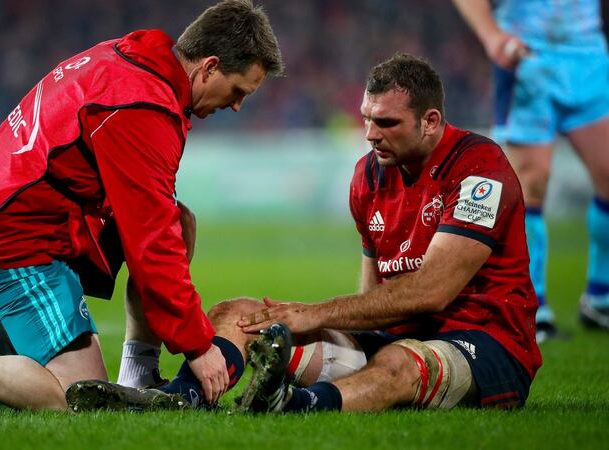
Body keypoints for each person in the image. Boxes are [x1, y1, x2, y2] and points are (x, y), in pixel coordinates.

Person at [0, 0, 284, 413]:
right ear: (209, 67)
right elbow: (151, 244)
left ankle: (137, 376)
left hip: (27, 206)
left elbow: (157, 223)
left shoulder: (135, 59)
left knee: (179, 221)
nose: (236, 106)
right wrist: (198, 347)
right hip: (11, 239)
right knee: (77, 396)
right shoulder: (142, 106)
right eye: (237, 92)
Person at [223, 53, 542, 413]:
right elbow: (371, 296)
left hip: (486, 344)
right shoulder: (370, 174)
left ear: (430, 121)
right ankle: (186, 394)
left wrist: (316, 313)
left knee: (397, 362)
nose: (371, 134)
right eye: (367, 119)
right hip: (399, 338)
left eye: (387, 122)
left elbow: (432, 291)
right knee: (240, 315)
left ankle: (294, 405)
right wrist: (322, 331)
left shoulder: (480, 169)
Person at [452, 0, 609, 340]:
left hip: (590, 58)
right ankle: (530, 306)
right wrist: (492, 36)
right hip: (528, 58)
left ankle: (600, 296)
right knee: (530, 185)